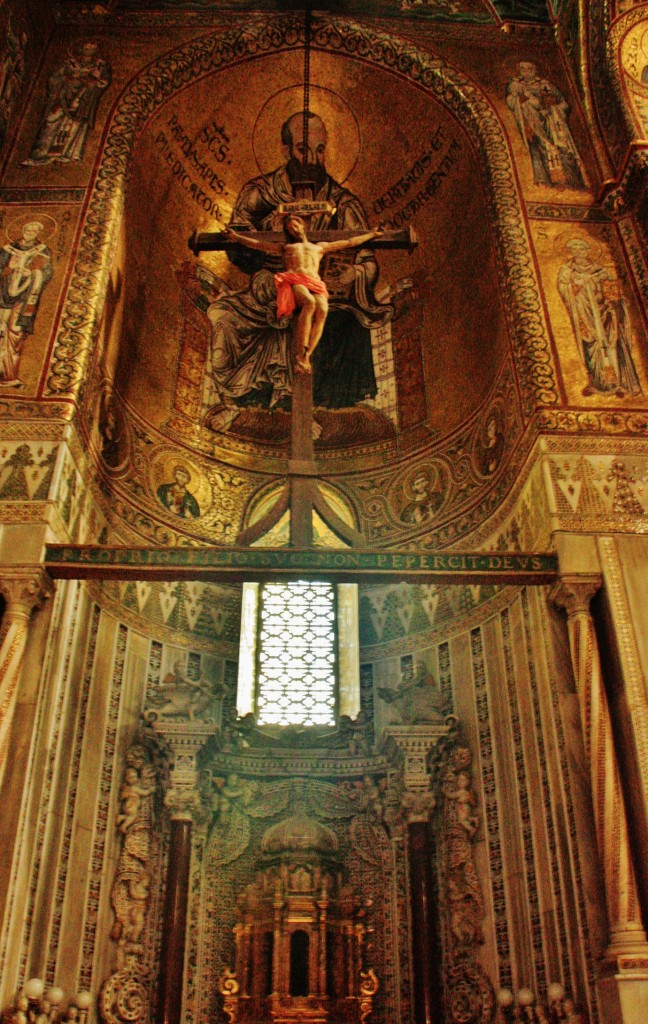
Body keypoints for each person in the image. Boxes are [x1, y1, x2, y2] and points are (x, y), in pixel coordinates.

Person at [205, 111, 393, 419]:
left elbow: (361, 253)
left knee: (333, 317)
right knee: (228, 319)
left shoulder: (343, 203)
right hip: (272, 284)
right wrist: (255, 254)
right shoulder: (259, 193)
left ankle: (324, 411)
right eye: (304, 149)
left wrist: (355, 274)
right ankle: (250, 404)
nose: (313, 159)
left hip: (323, 288)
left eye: (320, 150)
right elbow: (242, 244)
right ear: (286, 149)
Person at [225, 216, 383, 373]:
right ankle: (300, 351)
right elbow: (258, 244)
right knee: (309, 303)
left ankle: (307, 354)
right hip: (295, 279)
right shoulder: (286, 248)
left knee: (322, 310)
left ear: (302, 226)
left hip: (315, 282)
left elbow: (349, 242)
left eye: (295, 226)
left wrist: (372, 235)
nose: (293, 230)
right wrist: (236, 236)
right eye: (290, 229)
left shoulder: (319, 247)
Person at [557, 237, 642, 397]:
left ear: (587, 251)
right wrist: (575, 286)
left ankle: (617, 382)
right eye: (574, 250)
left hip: (605, 314)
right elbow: (563, 288)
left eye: (581, 249)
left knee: (612, 345)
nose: (578, 253)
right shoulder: (567, 270)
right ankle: (598, 383)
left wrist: (613, 300)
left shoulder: (600, 269)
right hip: (585, 313)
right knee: (590, 344)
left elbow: (612, 290)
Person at [25, 42, 111, 164]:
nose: (88, 51)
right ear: (80, 49)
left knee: (75, 127)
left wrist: (94, 80)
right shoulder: (70, 64)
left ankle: (68, 155)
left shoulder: (100, 66)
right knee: (51, 121)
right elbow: (53, 79)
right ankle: (40, 153)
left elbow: (103, 82)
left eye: (92, 49)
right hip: (63, 98)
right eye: (86, 48)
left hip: (82, 102)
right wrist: (69, 78)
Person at [506, 61, 585, 189]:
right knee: (538, 149)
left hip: (553, 123)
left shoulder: (545, 84)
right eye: (523, 68)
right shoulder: (516, 85)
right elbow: (511, 101)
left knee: (562, 149)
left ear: (535, 69)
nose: (526, 71)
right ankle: (544, 181)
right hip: (531, 123)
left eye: (529, 68)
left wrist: (552, 105)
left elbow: (563, 103)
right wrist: (521, 100)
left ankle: (572, 181)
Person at [0, 221, 53, 387]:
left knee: (16, 332)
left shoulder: (42, 250)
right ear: (22, 230)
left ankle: (7, 376)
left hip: (25, 295)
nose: (31, 232)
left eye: (35, 230)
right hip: (3, 293)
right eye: (28, 229)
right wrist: (10, 269)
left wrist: (31, 272)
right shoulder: (8, 249)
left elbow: (47, 272)